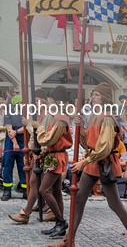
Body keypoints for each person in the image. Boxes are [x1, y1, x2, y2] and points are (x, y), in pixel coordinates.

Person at [54, 82, 127, 247]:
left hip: (104, 164)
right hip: (94, 163)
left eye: (96, 94)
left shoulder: (108, 118)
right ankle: (69, 240)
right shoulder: (95, 116)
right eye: (93, 94)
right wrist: (80, 127)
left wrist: (83, 162)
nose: (92, 97)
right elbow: (89, 143)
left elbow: (103, 148)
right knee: (79, 199)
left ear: (104, 97)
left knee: (115, 204)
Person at [9, 89, 53, 224]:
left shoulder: (47, 116)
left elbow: (46, 135)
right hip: (37, 153)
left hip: (44, 154)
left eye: (38, 101)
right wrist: (27, 152)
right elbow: (33, 136)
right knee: (36, 184)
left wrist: (30, 123)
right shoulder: (38, 116)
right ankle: (50, 211)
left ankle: (31, 213)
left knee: (45, 186)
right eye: (35, 101)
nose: (36, 104)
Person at [35, 85, 73, 239]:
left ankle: (61, 221)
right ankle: (59, 223)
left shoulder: (61, 118)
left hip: (57, 156)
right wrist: (44, 152)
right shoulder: (59, 117)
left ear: (54, 100)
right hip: (54, 155)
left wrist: (39, 129)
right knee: (56, 189)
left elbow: (50, 138)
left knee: (44, 190)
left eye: (49, 99)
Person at [2, 94, 27, 201]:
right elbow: (9, 129)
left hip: (23, 141)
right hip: (10, 142)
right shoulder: (8, 113)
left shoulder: (27, 114)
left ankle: (25, 189)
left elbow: (27, 127)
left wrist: (16, 131)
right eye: (21, 102)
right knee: (8, 166)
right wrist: (15, 143)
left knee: (24, 166)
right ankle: (7, 190)